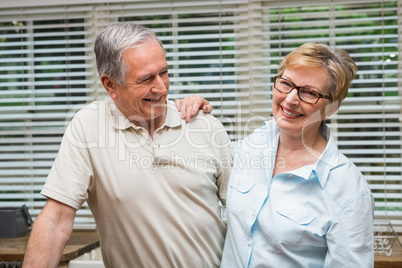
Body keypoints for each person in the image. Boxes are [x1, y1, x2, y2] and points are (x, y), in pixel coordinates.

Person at [22, 22, 231, 268]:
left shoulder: (203, 124)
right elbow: (56, 220)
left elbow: (246, 212)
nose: (162, 88)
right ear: (110, 85)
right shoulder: (89, 126)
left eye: (164, 72)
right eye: (146, 79)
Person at [177, 43, 375, 267]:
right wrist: (195, 112)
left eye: (309, 92)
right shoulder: (252, 145)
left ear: (331, 108)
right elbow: (203, 159)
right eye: (286, 84)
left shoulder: (348, 190)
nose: (290, 99)